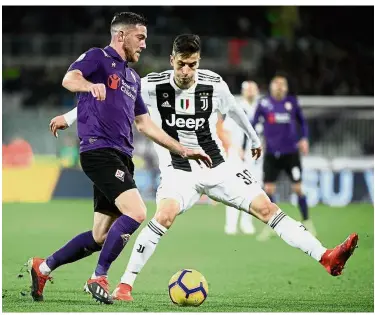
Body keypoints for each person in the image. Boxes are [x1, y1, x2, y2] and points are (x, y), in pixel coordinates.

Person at [57, 34, 358, 303]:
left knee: (267, 208)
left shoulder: (213, 84)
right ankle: (125, 285)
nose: (187, 72)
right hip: (178, 171)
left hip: (218, 167)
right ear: (172, 60)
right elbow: (109, 100)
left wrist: (253, 137)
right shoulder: (151, 84)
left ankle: (326, 257)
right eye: (182, 65)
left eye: (193, 65)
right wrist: (69, 119)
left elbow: (235, 110)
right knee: (164, 215)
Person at [28, 14, 211, 305]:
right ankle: (98, 277)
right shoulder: (97, 58)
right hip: (98, 151)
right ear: (121, 35)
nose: (144, 44)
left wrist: (183, 149)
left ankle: (43, 266)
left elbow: (145, 124)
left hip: (122, 157)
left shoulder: (132, 78)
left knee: (100, 236)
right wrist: (89, 87)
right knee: (137, 212)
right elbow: (70, 78)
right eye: (140, 38)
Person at [252, 75, 316, 241]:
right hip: (272, 154)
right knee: (269, 190)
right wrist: (256, 140)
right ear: (271, 87)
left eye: (283, 85)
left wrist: (304, 139)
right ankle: (272, 226)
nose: (279, 87)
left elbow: (302, 122)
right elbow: (253, 122)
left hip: (291, 154)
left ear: (286, 88)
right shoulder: (264, 103)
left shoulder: (292, 102)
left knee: (298, 188)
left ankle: (307, 221)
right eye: (276, 84)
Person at [217, 80, 261, 235]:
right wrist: (235, 148)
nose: (251, 92)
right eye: (248, 89)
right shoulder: (236, 107)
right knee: (234, 190)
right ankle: (231, 224)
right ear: (243, 91)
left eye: (253, 89)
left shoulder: (260, 108)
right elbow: (225, 130)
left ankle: (246, 223)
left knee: (253, 190)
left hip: (254, 156)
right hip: (237, 155)